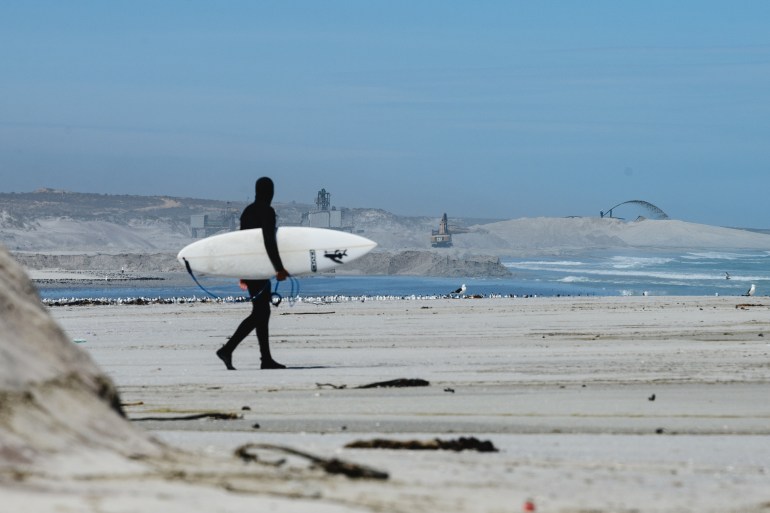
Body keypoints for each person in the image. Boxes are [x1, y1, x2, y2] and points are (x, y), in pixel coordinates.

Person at [216, 177, 289, 370]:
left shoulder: (247, 212)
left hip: (250, 267)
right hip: (259, 267)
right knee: (261, 312)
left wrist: (242, 271)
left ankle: (265, 359)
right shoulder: (267, 211)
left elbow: (242, 242)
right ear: (269, 192)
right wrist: (279, 267)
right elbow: (268, 241)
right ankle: (228, 349)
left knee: (262, 313)